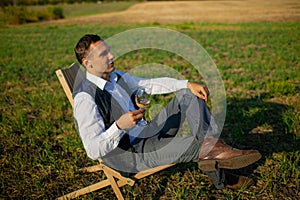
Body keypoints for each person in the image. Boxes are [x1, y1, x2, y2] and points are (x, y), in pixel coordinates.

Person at [73, 34, 261, 190]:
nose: (112, 55)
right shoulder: (85, 98)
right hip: (131, 154)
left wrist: (186, 84)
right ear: (88, 63)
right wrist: (119, 126)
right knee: (194, 145)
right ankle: (223, 177)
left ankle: (214, 149)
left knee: (188, 96)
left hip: (147, 132)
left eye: (109, 50)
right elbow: (92, 149)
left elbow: (149, 84)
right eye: (104, 54)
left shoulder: (115, 76)